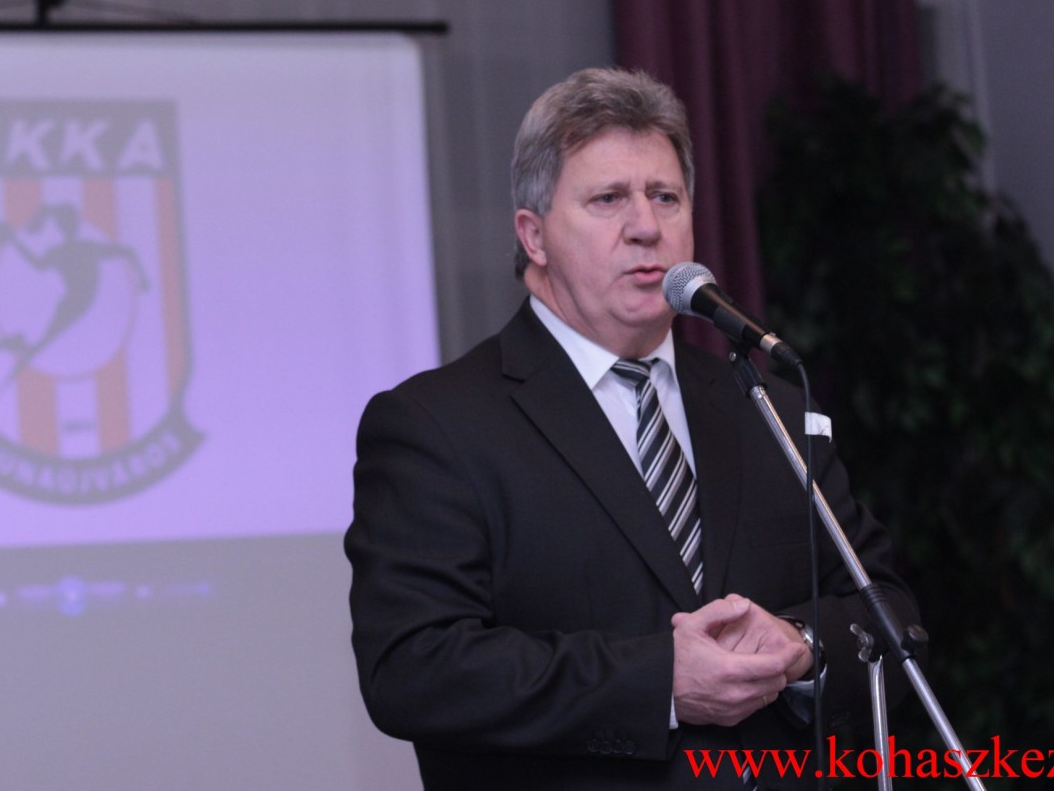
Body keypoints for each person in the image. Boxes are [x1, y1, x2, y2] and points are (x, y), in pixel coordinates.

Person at [345, 67, 919, 789]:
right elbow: (412, 668)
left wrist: (801, 644)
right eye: (608, 198)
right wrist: (659, 683)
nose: (647, 226)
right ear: (534, 236)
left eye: (665, 197)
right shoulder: (436, 425)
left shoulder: (765, 404)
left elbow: (889, 612)